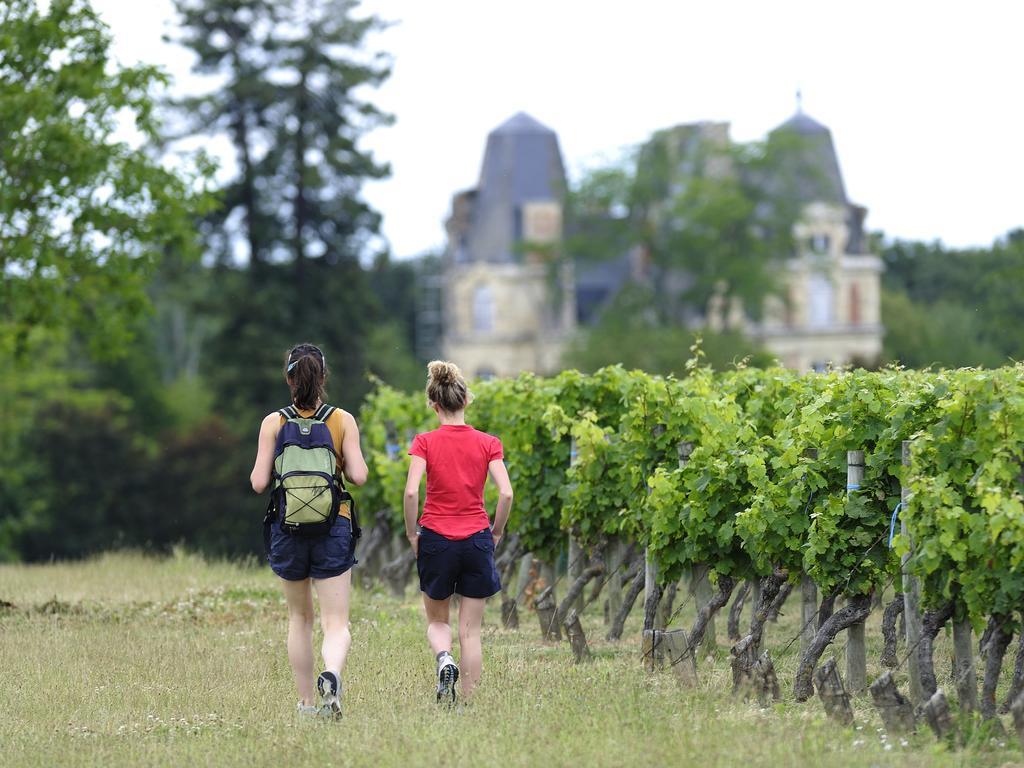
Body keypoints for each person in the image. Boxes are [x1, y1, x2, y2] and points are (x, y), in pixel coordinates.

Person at [250, 343, 367, 718]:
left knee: (299, 619)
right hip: (333, 527)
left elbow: (257, 482)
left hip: (288, 528)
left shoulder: (274, 422)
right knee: (336, 622)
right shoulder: (342, 419)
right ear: (323, 377)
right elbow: (360, 477)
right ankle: (331, 673)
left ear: (288, 378)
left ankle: (305, 704)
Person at [403, 360, 513, 704]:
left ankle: (443, 659)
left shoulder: (424, 442)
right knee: (471, 631)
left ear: (433, 404)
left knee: (438, 622)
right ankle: (467, 703)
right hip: (477, 538)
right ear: (466, 400)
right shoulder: (488, 443)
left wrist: (412, 534)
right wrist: (495, 532)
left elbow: (410, 492)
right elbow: (506, 493)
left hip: (435, 537)